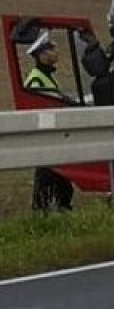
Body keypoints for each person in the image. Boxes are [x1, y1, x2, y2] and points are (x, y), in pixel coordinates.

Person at [23, 31, 75, 211]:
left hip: (52, 138)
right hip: (47, 138)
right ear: (42, 54)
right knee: (49, 181)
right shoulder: (36, 80)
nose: (56, 51)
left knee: (61, 183)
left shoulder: (45, 76)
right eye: (51, 48)